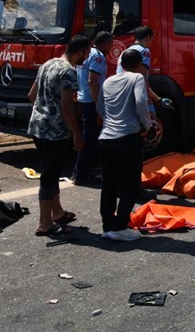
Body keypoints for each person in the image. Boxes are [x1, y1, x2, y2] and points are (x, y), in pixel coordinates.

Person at [27, 35, 91, 236]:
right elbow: (67, 107)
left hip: (38, 126)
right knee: (49, 176)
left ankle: (57, 213)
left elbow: (31, 96)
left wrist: (43, 113)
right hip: (55, 132)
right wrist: (77, 134)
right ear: (80, 52)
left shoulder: (48, 64)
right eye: (86, 54)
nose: (86, 58)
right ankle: (44, 224)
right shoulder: (69, 72)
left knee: (51, 172)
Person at [97, 49, 153, 241]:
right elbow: (140, 102)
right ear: (138, 65)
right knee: (130, 185)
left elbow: (100, 107)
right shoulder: (137, 78)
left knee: (109, 184)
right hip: (128, 137)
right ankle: (120, 227)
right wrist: (146, 125)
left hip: (106, 138)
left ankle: (107, 226)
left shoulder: (108, 81)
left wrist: (111, 121)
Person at [72, 31, 113, 185]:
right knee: (90, 138)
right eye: (111, 44)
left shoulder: (87, 54)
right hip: (91, 101)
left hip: (84, 98)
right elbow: (92, 81)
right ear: (104, 43)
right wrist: (99, 106)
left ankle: (85, 168)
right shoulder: (98, 57)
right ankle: (80, 173)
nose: (111, 48)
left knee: (90, 137)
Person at [117, 26, 160, 117]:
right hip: (134, 97)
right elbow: (142, 80)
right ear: (148, 38)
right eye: (151, 40)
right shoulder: (144, 51)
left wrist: (157, 98)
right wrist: (150, 105)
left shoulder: (124, 52)